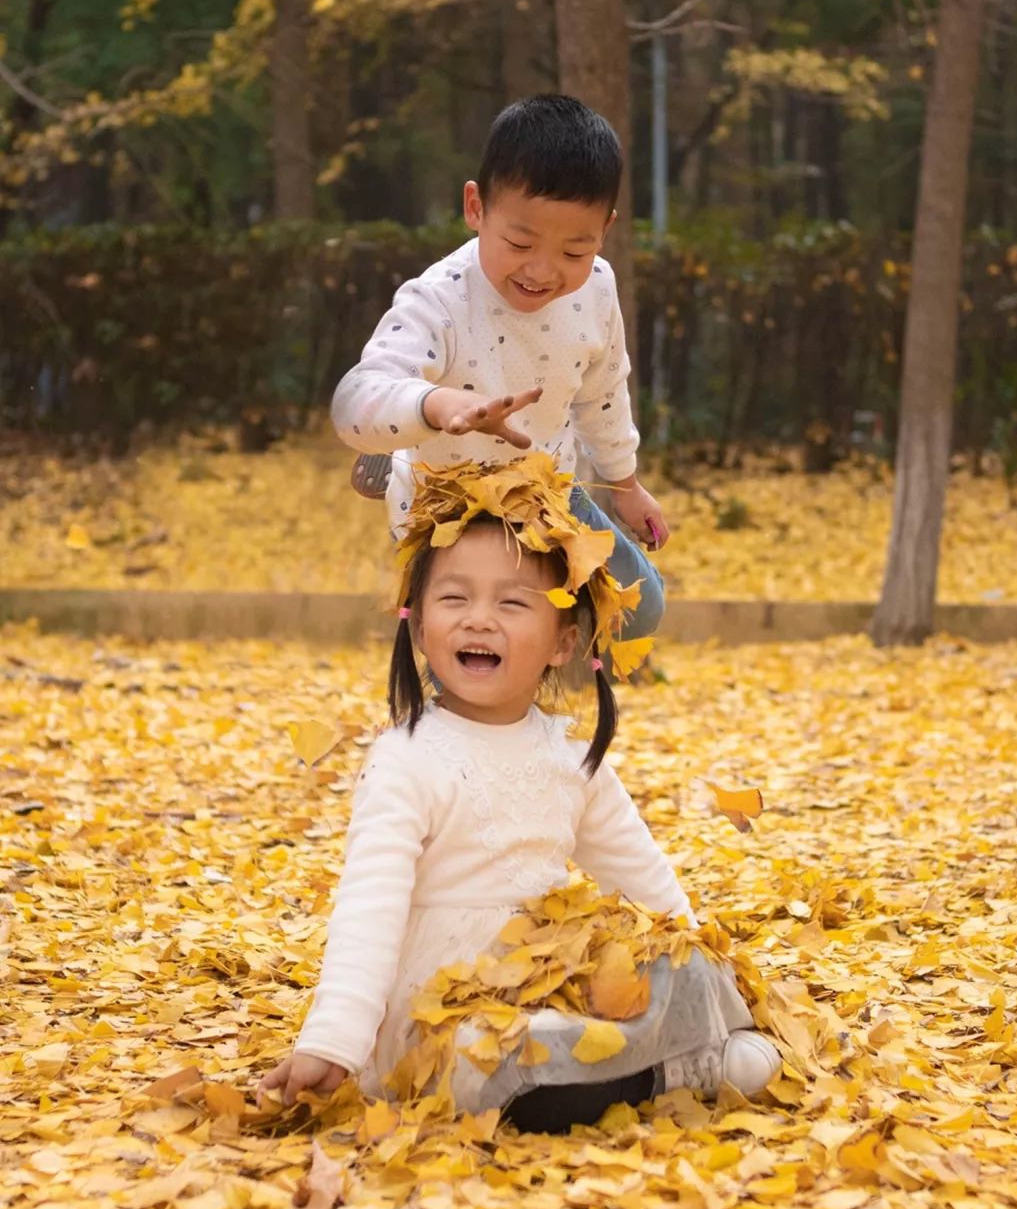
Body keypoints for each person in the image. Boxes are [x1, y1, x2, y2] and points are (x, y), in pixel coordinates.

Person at [259, 456, 780, 1133]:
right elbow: (369, 907)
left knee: (679, 964)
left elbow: (643, 874)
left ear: (564, 640)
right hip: (449, 1010)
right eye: (454, 598)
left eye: (510, 602)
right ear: (418, 627)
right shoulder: (407, 759)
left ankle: (676, 1052)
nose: (479, 620)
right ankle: (668, 1073)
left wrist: (701, 966)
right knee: (500, 1057)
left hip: (550, 974)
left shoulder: (569, 757)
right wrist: (332, 1040)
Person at [331, 93, 666, 640]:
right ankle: (394, 454)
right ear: (476, 208)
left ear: (604, 229)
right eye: (519, 241)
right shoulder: (437, 300)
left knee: (639, 610)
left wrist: (624, 483)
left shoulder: (598, 287)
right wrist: (438, 406)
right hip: (447, 508)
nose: (542, 270)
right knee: (473, 654)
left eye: (574, 252)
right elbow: (354, 402)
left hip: (545, 487)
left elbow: (602, 390)